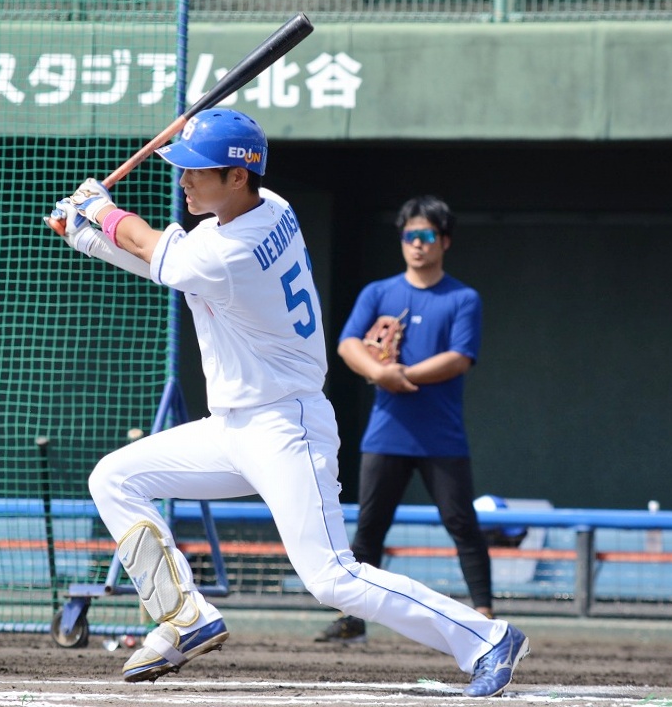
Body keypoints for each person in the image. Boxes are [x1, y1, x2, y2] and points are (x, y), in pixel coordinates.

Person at [47, 108, 528, 698]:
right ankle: (183, 615)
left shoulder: (235, 247)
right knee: (115, 478)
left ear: (238, 178)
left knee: (331, 578)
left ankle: (486, 638)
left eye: (199, 171)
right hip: (234, 426)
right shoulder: (264, 208)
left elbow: (159, 250)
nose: (184, 181)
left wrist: (99, 210)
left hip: (284, 426)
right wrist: (88, 236)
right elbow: (167, 266)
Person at [316, 196, 492, 646]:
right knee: (370, 527)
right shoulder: (379, 292)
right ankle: (351, 618)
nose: (417, 244)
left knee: (461, 523)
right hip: (387, 430)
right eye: (410, 235)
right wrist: (378, 372)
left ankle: (485, 615)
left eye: (427, 235)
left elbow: (459, 359)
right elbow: (347, 343)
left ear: (444, 241)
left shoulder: (463, 297)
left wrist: (401, 375)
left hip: (440, 433)